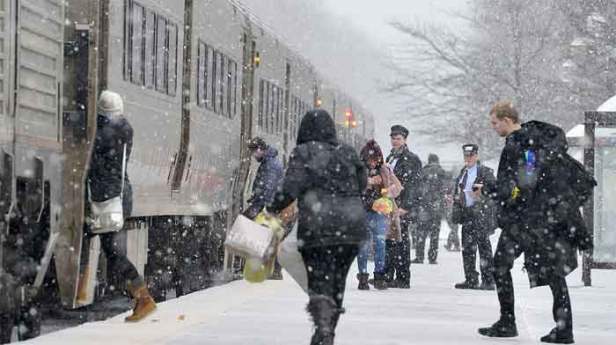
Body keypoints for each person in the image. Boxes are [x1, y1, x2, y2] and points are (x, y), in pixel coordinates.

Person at [474, 101, 594, 344]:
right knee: (553, 274)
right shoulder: (538, 139)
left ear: (507, 120)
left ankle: (508, 322)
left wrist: (485, 189)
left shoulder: (517, 144)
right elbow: (528, 177)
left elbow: (515, 186)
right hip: (544, 218)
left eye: (495, 123)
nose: (494, 128)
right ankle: (564, 328)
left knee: (500, 266)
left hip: (524, 220)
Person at [267, 109, 367, 345]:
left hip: (318, 227)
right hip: (351, 228)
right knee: (337, 282)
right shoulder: (348, 151)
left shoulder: (303, 152)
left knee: (319, 280)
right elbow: (362, 184)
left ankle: (322, 327)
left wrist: (272, 208)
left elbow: (292, 186)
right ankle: (327, 331)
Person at [86, 90, 156, 322]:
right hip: (118, 195)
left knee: (115, 253)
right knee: (113, 251)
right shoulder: (123, 128)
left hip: (110, 197)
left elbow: (100, 156)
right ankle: (141, 297)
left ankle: (144, 298)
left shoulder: (108, 132)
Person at [451, 144, 497, 290]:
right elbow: (459, 190)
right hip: (467, 213)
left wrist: (483, 189)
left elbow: (494, 189)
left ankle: (488, 280)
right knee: (468, 248)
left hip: (481, 214)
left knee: (484, 248)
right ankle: (471, 278)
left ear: (477, 156)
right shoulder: (463, 172)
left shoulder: (485, 171)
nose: (468, 158)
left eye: (471, 156)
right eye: (466, 156)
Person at [384, 125, 422, 289]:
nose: (395, 141)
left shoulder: (412, 159)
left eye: (398, 138)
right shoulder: (390, 157)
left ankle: (402, 277)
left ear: (405, 140)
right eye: (393, 138)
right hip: (390, 205)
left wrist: (406, 206)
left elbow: (414, 185)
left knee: (401, 242)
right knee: (390, 240)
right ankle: (388, 275)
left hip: (401, 206)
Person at [243, 137, 285, 280]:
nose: (254, 156)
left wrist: (259, 207)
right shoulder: (270, 161)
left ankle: (273, 270)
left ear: (261, 150)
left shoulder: (270, 165)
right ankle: (272, 269)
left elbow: (268, 188)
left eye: (255, 152)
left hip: (271, 205)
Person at [356, 140, 389, 291]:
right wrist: (368, 182)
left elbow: (395, 188)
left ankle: (379, 276)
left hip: (379, 213)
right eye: (370, 160)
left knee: (380, 244)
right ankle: (363, 277)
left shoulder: (384, 171)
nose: (372, 163)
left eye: (375, 160)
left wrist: (386, 191)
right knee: (363, 246)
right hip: (363, 212)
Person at [413, 154, 447, 264]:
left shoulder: (423, 171)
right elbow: (446, 189)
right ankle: (432, 258)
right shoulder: (442, 172)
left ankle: (419, 256)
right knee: (435, 234)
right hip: (437, 206)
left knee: (421, 233)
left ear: (428, 161)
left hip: (424, 206)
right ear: (437, 160)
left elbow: (417, 189)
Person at [443, 170, 461, 252]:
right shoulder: (454, 185)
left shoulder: (446, 186)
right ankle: (455, 245)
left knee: (454, 228)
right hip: (453, 209)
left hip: (450, 210)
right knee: (454, 228)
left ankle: (452, 245)